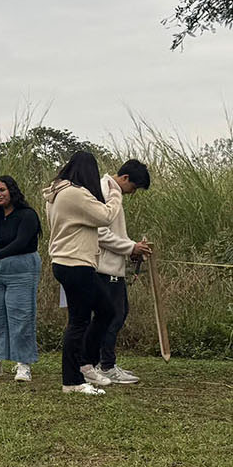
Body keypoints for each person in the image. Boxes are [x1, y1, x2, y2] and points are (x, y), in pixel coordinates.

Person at [42, 153, 117, 395]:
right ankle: (72, 381)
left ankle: (85, 365)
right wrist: (115, 195)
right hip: (76, 264)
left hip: (67, 263)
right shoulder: (74, 193)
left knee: (106, 310)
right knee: (79, 322)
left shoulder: (55, 195)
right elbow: (106, 216)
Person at [89, 160, 154, 385]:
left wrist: (132, 249)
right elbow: (99, 232)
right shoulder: (105, 190)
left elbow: (114, 233)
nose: (132, 193)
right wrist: (130, 247)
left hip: (113, 266)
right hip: (103, 269)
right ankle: (104, 365)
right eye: (133, 188)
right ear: (125, 178)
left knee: (117, 313)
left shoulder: (114, 192)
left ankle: (101, 363)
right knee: (112, 316)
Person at [0, 174, 42, 382]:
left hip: (22, 267)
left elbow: (21, 242)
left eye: (2, 190)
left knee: (21, 316)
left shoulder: (27, 214)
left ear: (12, 191)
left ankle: (23, 364)